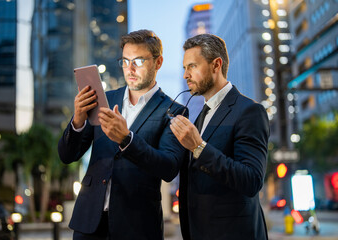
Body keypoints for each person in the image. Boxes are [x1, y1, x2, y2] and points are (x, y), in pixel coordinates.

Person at [58, 29, 187, 240]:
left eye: (138, 61)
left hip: (137, 225)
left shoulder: (174, 111)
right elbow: (66, 155)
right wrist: (78, 120)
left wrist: (127, 140)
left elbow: (169, 167)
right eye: (125, 61)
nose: (130, 69)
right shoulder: (103, 100)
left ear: (158, 62)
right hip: (89, 222)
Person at [170, 34, 270, 240]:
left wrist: (198, 147)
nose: (185, 75)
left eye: (192, 66)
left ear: (216, 65)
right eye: (184, 68)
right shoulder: (199, 117)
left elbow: (251, 180)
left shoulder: (249, 111)